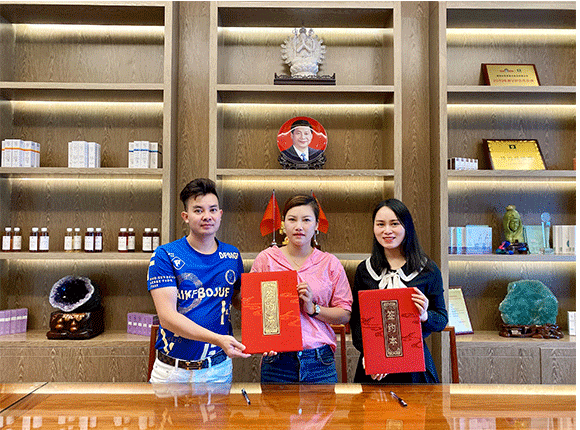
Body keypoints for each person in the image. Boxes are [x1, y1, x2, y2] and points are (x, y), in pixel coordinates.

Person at [147, 178, 250, 383]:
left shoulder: (232, 255)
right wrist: (217, 339)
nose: (207, 216)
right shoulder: (165, 255)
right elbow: (167, 317)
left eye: (213, 210)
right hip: (172, 371)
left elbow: (238, 299)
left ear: (220, 214)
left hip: (217, 370)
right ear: (185, 217)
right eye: (198, 210)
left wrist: (272, 321)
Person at [250, 195, 352, 383]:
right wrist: (263, 340)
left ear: (316, 225)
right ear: (283, 224)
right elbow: (253, 309)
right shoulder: (266, 260)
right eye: (292, 219)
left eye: (306, 220)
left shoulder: (330, 263)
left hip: (319, 361)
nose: (299, 226)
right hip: (277, 361)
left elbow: (344, 314)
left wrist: (313, 309)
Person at [350, 198, 448, 384]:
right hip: (374, 368)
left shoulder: (428, 269)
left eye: (394, 224)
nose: (387, 230)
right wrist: (373, 357)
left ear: (407, 226)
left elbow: (442, 319)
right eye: (380, 224)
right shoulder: (365, 270)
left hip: (415, 366)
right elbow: (357, 322)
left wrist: (425, 315)